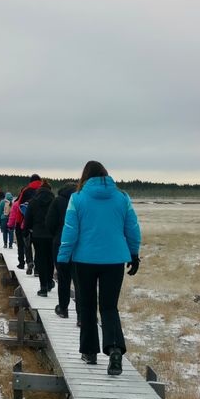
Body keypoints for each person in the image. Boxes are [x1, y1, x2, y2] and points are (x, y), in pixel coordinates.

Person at [57, 161, 141, 376]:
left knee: (86, 305)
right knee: (109, 306)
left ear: (85, 176)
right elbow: (132, 227)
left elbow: (70, 231)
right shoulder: (122, 198)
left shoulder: (77, 198)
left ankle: (90, 351)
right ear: (106, 175)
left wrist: (63, 257)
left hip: (84, 260)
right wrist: (134, 254)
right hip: (114, 261)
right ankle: (114, 349)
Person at [46, 182, 78, 320]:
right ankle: (81, 316)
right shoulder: (80, 200)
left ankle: (63, 309)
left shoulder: (57, 201)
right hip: (78, 245)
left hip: (60, 243)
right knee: (80, 281)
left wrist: (56, 236)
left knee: (63, 278)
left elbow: (50, 222)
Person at [25, 181, 56, 296]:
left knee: (40, 259)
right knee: (50, 259)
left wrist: (25, 231)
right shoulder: (54, 201)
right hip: (51, 235)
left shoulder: (33, 201)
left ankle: (43, 287)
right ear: (50, 190)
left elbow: (28, 218)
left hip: (37, 235)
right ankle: (48, 282)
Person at [14, 175, 42, 271]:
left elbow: (19, 206)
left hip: (27, 222)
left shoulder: (26, 190)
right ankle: (38, 269)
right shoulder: (44, 191)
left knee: (27, 243)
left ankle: (29, 261)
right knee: (38, 247)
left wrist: (18, 222)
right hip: (40, 224)